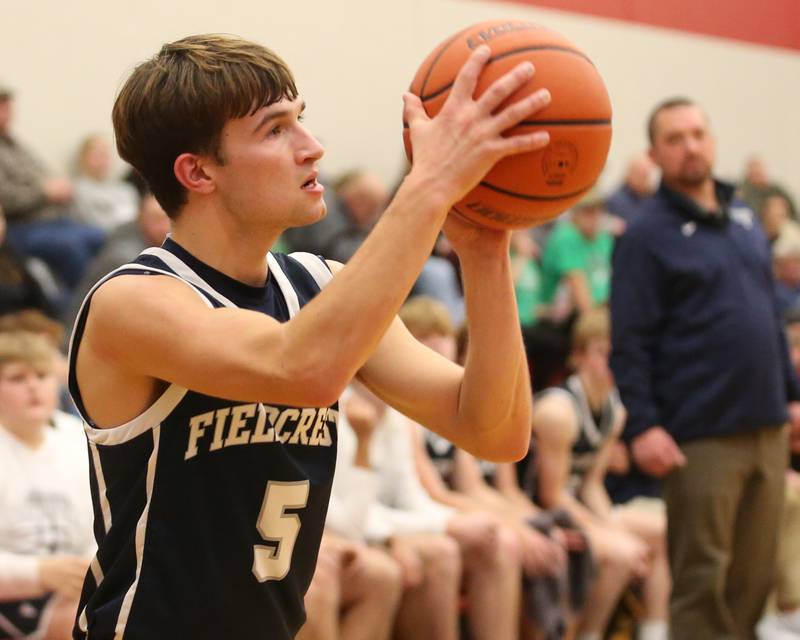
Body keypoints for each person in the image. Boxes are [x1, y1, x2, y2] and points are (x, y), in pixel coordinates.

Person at [67, 34, 551, 639]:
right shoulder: (132, 301)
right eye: (275, 130)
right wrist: (429, 186)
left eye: (302, 120)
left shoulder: (322, 286)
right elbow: (303, 370)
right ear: (197, 172)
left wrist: (485, 252)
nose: (312, 147)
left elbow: (495, 429)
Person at [610, 96, 800, 640]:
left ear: (712, 139)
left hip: (767, 424)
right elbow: (629, 340)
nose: (690, 146)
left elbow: (769, 313)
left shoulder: (743, 217)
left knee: (754, 580)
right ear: (654, 153)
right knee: (702, 581)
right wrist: (644, 425)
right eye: (675, 138)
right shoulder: (646, 235)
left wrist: (791, 394)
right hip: (700, 435)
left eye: (698, 133)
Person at [531, 309, 669, 640]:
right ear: (577, 356)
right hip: (537, 510)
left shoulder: (614, 410)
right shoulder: (558, 411)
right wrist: (609, 534)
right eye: (601, 353)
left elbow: (592, 486)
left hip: (572, 504)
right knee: (620, 553)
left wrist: (609, 525)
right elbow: (551, 495)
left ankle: (655, 632)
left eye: (616, 354)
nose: (611, 363)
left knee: (660, 532)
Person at [0, 331, 94, 640]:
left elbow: (106, 523)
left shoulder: (78, 438)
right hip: (14, 593)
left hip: (72, 587)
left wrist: (89, 571)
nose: (33, 387)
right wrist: (40, 573)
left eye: (41, 375)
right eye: (17, 378)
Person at [0, 85, 105, 291]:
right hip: (22, 226)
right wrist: (45, 192)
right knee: (71, 246)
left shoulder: (15, 144)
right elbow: (6, 199)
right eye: (3, 106)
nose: (8, 112)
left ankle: (108, 298)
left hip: (53, 220)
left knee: (101, 236)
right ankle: (81, 309)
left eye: (8, 106)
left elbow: (45, 174)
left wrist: (60, 187)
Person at [71, 134, 140, 232]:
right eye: (97, 155)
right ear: (83, 158)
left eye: (105, 155)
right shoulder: (77, 191)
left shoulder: (125, 190)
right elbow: (94, 225)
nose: (102, 160)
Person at [604, 153, 658, 233]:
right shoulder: (615, 200)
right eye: (643, 176)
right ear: (630, 174)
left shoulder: (653, 198)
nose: (647, 181)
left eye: (647, 176)